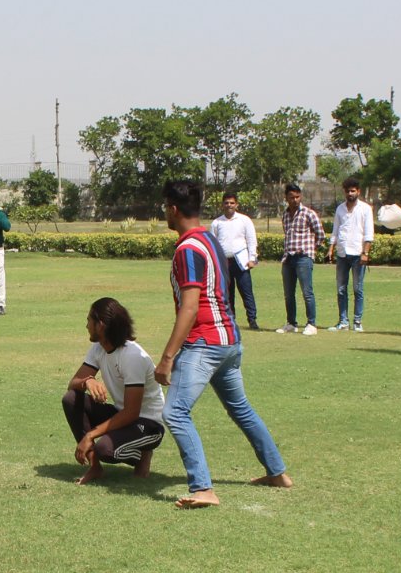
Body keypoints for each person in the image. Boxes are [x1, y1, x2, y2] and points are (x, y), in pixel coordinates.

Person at [157, 179, 290, 509]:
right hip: (229, 341)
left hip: (205, 343)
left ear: (173, 209)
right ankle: (277, 472)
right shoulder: (210, 240)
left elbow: (190, 307)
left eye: (165, 208)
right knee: (240, 408)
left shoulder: (188, 249)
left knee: (175, 412)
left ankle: (203, 488)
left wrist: (168, 357)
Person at [61, 296, 166, 484]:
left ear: (100, 325)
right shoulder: (98, 348)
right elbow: (73, 384)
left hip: (148, 423)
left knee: (105, 450)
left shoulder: (132, 356)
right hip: (122, 414)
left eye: (89, 321)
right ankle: (95, 468)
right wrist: (88, 381)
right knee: (71, 399)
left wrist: (90, 435)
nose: (86, 326)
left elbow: (132, 412)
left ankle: (142, 455)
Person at [208, 192, 261, 331]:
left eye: (232, 203)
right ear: (222, 205)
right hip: (224, 262)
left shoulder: (244, 220)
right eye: (226, 203)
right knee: (227, 293)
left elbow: (251, 240)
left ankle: (252, 320)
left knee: (246, 292)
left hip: (241, 262)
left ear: (236, 204)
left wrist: (252, 259)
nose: (229, 205)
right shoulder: (217, 222)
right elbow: (212, 244)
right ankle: (231, 320)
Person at [329, 180, 375, 331]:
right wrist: (331, 248)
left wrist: (365, 252)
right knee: (341, 289)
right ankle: (343, 321)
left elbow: (368, 233)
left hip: (358, 254)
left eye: (353, 191)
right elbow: (336, 231)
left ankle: (357, 321)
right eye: (348, 191)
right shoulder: (340, 209)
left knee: (357, 289)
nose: (350, 194)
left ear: (358, 191)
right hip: (342, 253)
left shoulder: (365, 209)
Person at [276, 181, 322, 335]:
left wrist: (311, 250)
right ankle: (291, 323)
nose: (295, 200)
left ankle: (311, 324)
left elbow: (320, 234)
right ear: (286, 198)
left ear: (300, 196)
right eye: (291, 197)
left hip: (303, 258)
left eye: (297, 197)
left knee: (307, 292)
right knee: (288, 294)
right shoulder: (285, 215)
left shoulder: (309, 213)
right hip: (288, 258)